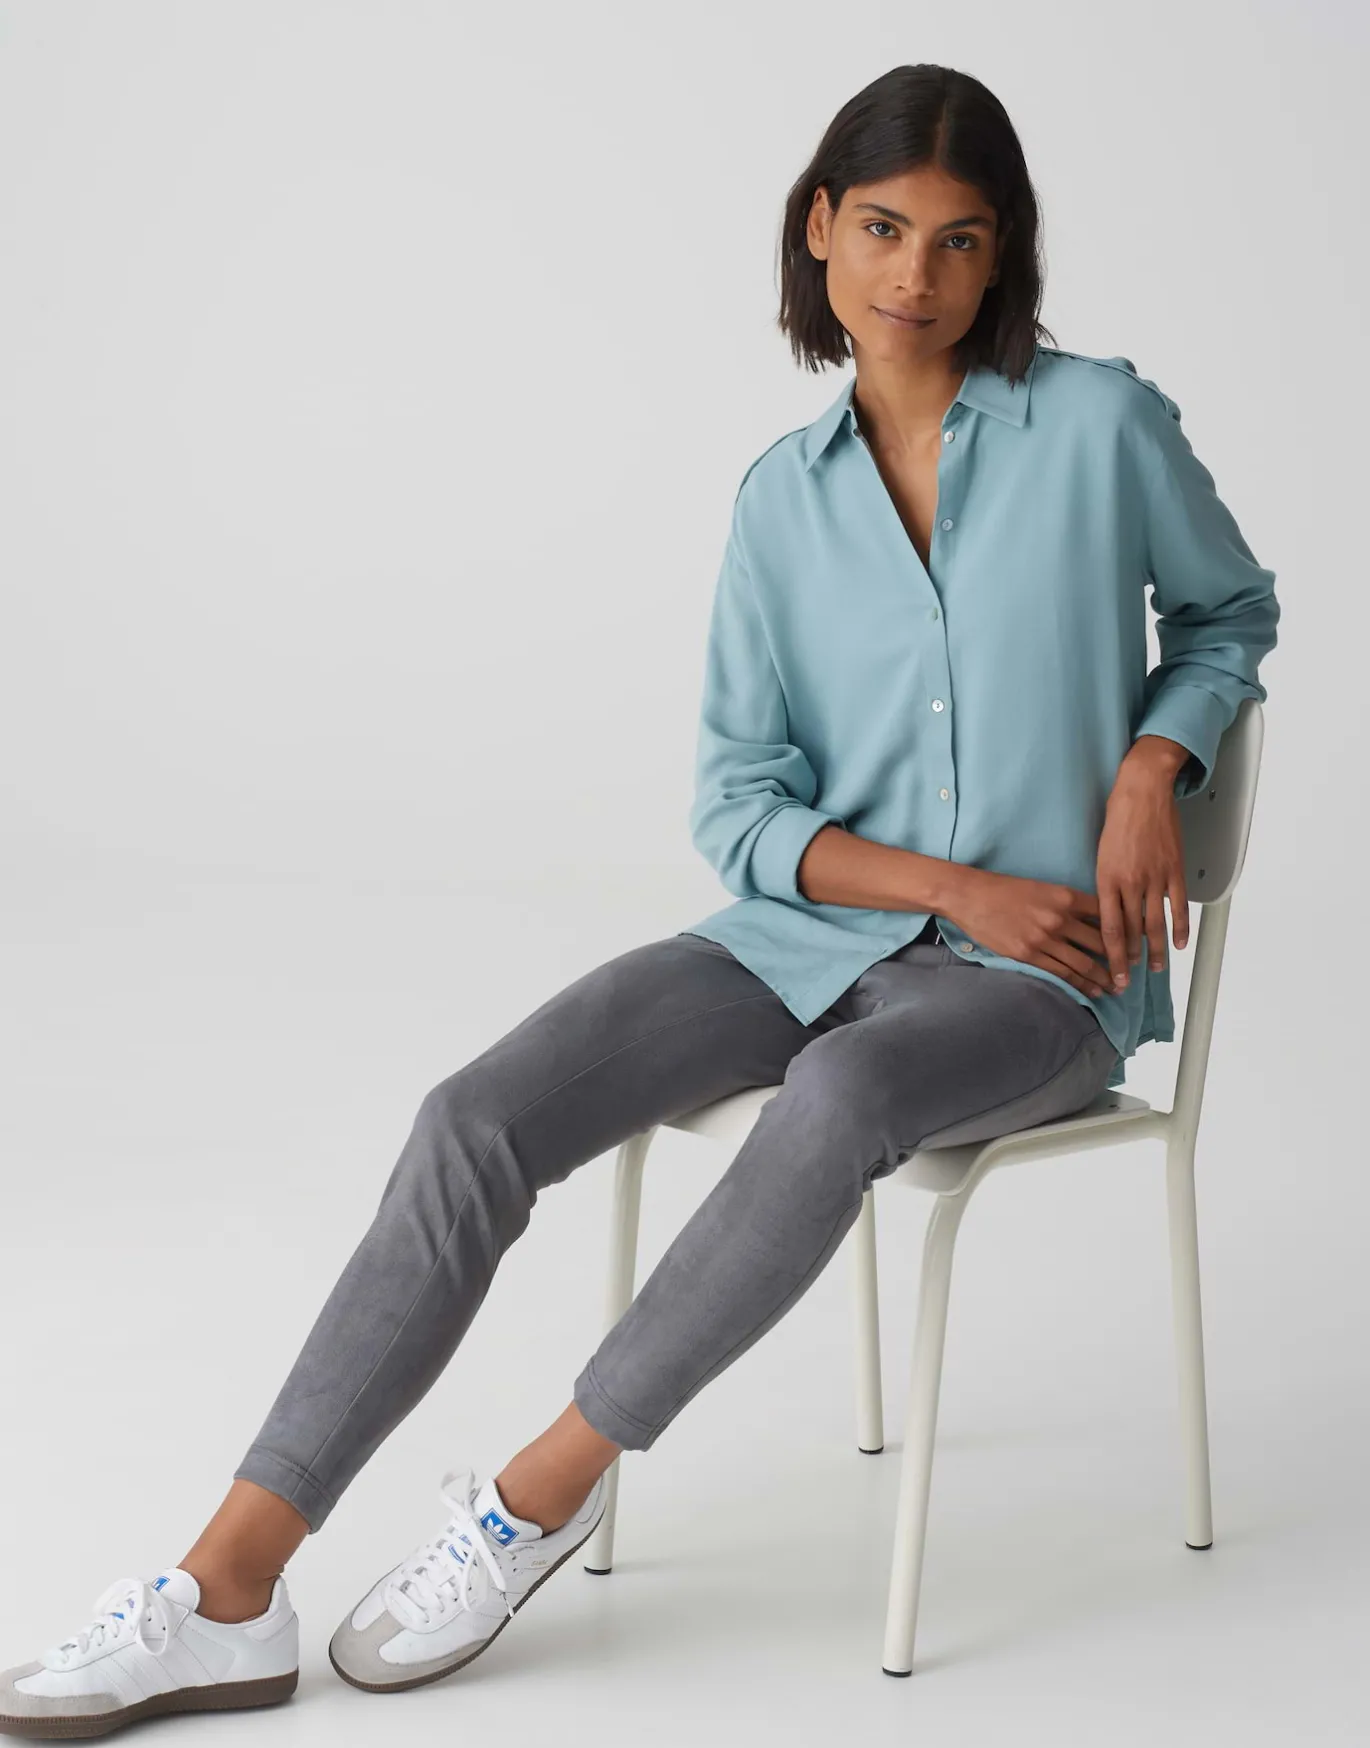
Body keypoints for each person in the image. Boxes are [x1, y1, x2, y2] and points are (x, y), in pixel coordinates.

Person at [0, 59, 1279, 1736]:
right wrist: (943, 880)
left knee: (836, 1096)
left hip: (1038, 982)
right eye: (881, 228)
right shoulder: (780, 501)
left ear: (1001, 255)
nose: (914, 276)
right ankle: (230, 1586)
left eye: (960, 240)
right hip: (808, 937)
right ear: (818, 228)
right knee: (474, 1117)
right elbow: (738, 807)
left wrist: (1147, 767)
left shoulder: (1100, 425)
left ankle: (534, 1500)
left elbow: (1228, 616)